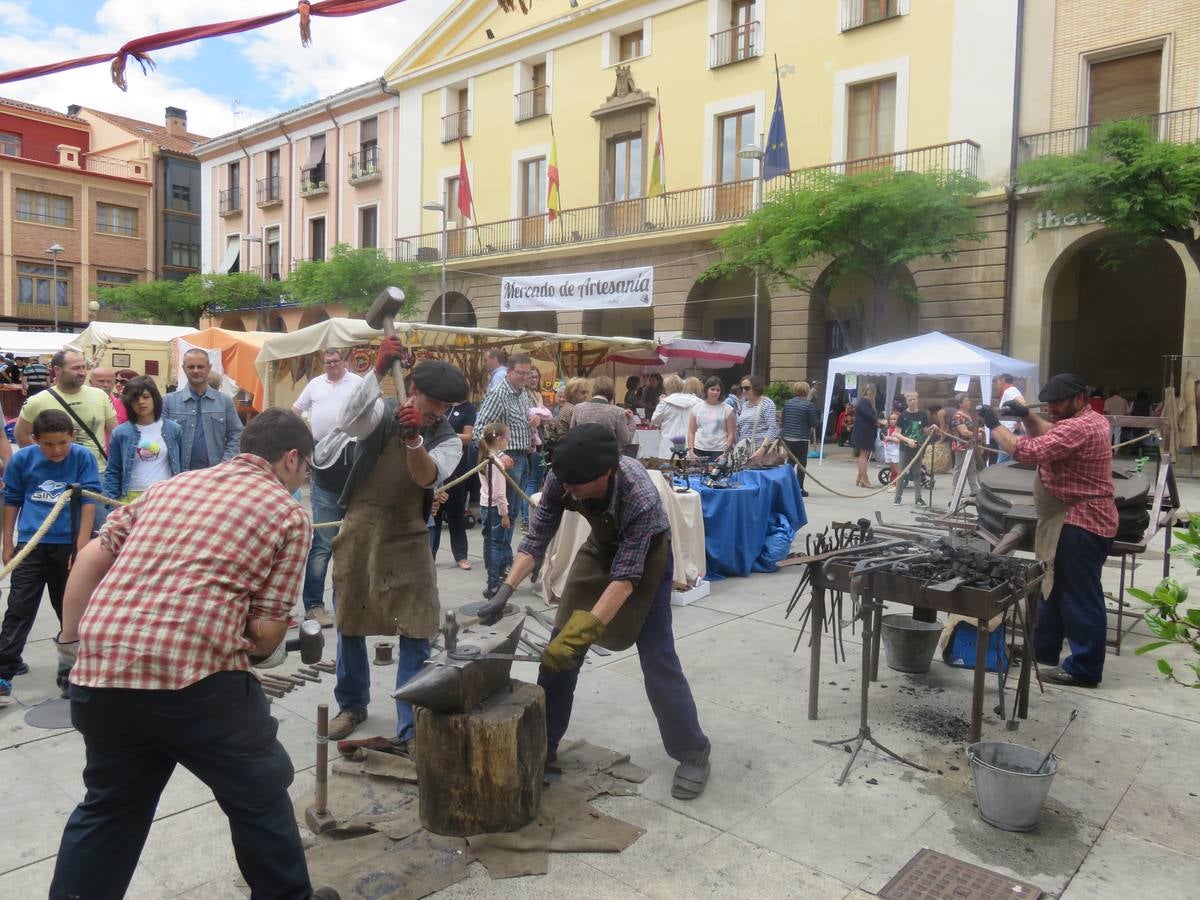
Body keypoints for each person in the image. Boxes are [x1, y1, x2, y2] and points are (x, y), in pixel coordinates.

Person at [47, 409, 340, 900]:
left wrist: (71, 643)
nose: (304, 480)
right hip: (196, 686)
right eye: (306, 470)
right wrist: (250, 635)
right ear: (292, 458)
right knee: (260, 793)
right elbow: (268, 636)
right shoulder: (289, 511)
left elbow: (95, 556)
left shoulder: (170, 486)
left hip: (100, 675)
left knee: (109, 810)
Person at [480, 424, 711, 799]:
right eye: (564, 484)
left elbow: (625, 579)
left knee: (658, 660)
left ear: (606, 473)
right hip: (600, 549)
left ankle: (693, 750)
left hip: (647, 559)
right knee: (557, 657)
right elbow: (537, 537)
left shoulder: (640, 497)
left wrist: (585, 630)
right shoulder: (564, 476)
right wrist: (504, 591)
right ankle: (545, 746)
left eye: (576, 487)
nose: (567, 492)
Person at [321, 343, 468, 744]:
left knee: (417, 627)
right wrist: (379, 370)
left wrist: (415, 442)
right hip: (361, 527)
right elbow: (349, 421)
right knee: (350, 621)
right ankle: (352, 704)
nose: (441, 411)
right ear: (413, 388)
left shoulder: (447, 438)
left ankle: (410, 721)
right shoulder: (381, 412)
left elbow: (428, 478)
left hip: (408, 535)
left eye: (447, 406)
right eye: (435, 402)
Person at [980, 373, 1117, 687]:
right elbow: (1049, 431)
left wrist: (994, 425)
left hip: (1081, 521)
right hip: (1073, 517)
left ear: (1079, 398)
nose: (1052, 408)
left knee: (1079, 597)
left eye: (1058, 403)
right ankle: (1043, 650)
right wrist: (1027, 414)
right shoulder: (1087, 420)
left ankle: (1084, 668)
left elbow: (1028, 451)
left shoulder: (1080, 427)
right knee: (1053, 589)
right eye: (1049, 403)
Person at [0, 410, 101, 706]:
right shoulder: (22, 460)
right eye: (47, 444)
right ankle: (4, 671)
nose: (55, 450)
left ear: (72, 437)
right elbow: (13, 499)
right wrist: (8, 543)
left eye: (61, 443)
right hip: (32, 543)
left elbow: (89, 500)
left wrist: (80, 547)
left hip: (68, 544)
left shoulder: (82, 457)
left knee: (68, 609)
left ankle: (73, 670)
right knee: (19, 606)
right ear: (34, 440)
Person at [293, 348, 363, 627]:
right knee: (322, 542)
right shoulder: (315, 385)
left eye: (336, 361)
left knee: (357, 540)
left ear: (344, 362)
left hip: (355, 465)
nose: (332, 365)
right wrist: (307, 444)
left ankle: (354, 600)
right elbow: (295, 411)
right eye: (327, 362)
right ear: (323, 364)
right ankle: (314, 605)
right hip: (324, 468)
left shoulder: (357, 383)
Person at [476, 352, 535, 555]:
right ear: (509, 371)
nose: (525, 378)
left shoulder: (523, 393)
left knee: (513, 512)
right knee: (504, 513)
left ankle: (504, 559)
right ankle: (498, 564)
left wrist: (532, 422)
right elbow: (479, 430)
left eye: (528, 374)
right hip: (507, 459)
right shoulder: (499, 394)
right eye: (520, 373)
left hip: (522, 456)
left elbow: (514, 423)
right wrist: (498, 455)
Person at [103, 376, 182, 503]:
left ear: (155, 398)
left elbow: (181, 464)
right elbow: (113, 470)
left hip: (165, 495)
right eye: (135, 398)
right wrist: (112, 501)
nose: (140, 402)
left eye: (146, 397)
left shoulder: (173, 429)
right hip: (131, 497)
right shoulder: (121, 432)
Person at [163, 348, 244, 471]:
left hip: (215, 476)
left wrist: (224, 466)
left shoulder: (225, 402)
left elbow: (237, 435)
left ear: (209, 367)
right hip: (179, 476)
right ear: (183, 368)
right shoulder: (168, 402)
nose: (195, 371)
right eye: (191, 367)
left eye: (200, 367)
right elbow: (160, 437)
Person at [430, 398, 476, 570]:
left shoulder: (467, 409)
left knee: (456, 512)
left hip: (457, 466)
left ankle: (461, 555)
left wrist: (446, 434)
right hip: (434, 463)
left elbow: (468, 437)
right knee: (433, 514)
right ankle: (429, 556)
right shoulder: (439, 405)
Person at [478, 422, 512, 598]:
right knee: (496, 545)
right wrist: (505, 514)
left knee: (488, 542)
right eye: (507, 438)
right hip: (494, 508)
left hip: (485, 505)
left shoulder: (484, 456)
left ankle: (490, 581)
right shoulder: (496, 461)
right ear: (499, 439)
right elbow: (499, 493)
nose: (508, 442)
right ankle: (494, 583)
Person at [521, 366, 554, 531]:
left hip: (541, 440)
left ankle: (527, 517)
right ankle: (527, 519)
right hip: (532, 443)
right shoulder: (526, 395)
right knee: (533, 480)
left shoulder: (536, 394)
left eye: (536, 377)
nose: (534, 380)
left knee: (535, 479)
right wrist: (541, 406)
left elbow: (545, 416)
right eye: (531, 376)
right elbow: (538, 414)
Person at [893, 391, 938, 506]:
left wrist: (932, 428)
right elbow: (896, 433)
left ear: (917, 400)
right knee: (901, 473)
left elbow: (924, 431)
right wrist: (907, 440)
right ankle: (898, 496)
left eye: (914, 399)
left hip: (917, 449)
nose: (912, 402)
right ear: (906, 402)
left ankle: (918, 498)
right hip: (905, 448)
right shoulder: (903, 415)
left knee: (917, 473)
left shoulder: (922, 415)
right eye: (909, 400)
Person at [570, 375, 633, 449]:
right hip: (608, 457)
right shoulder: (619, 412)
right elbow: (625, 441)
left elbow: (572, 433)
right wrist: (631, 422)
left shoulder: (578, 408)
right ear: (612, 392)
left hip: (582, 456)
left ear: (594, 390)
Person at [781, 381, 820, 496]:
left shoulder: (787, 403)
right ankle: (799, 488)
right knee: (801, 463)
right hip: (801, 437)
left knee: (790, 461)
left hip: (787, 436)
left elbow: (783, 419)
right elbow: (814, 423)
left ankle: (786, 486)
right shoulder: (809, 405)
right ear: (807, 391)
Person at [650, 374, 701, 458]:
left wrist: (660, 403)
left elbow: (654, 420)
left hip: (669, 443)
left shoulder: (664, 403)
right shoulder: (696, 401)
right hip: (690, 443)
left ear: (666, 388)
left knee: (668, 468)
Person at [687, 376, 736, 463]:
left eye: (718, 390)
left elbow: (731, 434)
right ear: (706, 390)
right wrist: (691, 452)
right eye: (712, 389)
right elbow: (691, 432)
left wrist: (725, 453)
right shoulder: (697, 408)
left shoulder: (727, 410)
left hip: (719, 450)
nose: (715, 392)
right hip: (699, 449)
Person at [948, 393, 981, 502]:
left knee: (972, 467)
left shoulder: (967, 415)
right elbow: (964, 432)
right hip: (961, 445)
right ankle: (956, 490)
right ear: (960, 404)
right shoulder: (958, 416)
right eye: (967, 400)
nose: (969, 402)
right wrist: (976, 434)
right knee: (959, 468)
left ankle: (974, 489)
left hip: (970, 445)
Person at [735, 375, 777, 458]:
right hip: (744, 450)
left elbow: (772, 428)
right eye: (741, 388)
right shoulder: (744, 405)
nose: (743, 391)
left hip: (761, 450)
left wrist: (762, 449)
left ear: (756, 387)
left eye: (746, 388)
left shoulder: (767, 403)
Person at [850, 385, 880, 488]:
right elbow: (870, 417)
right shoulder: (865, 402)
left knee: (863, 456)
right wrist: (878, 422)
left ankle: (860, 476)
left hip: (864, 432)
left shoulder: (864, 402)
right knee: (863, 456)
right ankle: (865, 479)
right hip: (864, 432)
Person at [996, 374, 1025, 463]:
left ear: (1002, 381)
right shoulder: (1012, 390)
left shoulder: (1009, 391)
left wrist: (1018, 421)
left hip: (1010, 432)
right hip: (1010, 432)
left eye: (998, 382)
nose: (997, 386)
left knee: (1001, 464)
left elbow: (1022, 403)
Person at [882, 412, 901, 483]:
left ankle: (897, 482)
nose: (892, 420)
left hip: (895, 451)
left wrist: (889, 438)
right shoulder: (889, 429)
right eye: (891, 419)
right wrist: (885, 440)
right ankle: (892, 480)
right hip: (888, 450)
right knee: (892, 467)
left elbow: (898, 440)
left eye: (894, 419)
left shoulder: (899, 429)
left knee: (896, 467)